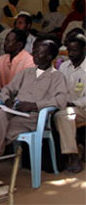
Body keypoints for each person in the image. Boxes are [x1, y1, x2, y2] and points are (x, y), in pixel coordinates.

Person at [0, 39, 68, 155]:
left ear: (49, 57)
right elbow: (7, 89)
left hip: (33, 117)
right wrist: (7, 100)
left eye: (39, 53)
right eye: (35, 52)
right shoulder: (26, 73)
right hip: (15, 110)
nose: (35, 55)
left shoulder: (57, 77)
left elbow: (61, 100)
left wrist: (35, 106)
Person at [54, 34, 86, 173]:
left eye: (75, 50)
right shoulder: (64, 67)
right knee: (59, 115)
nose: (71, 54)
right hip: (66, 107)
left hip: (82, 108)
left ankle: (72, 156)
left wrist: (72, 103)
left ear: (84, 49)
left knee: (63, 116)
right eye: (69, 51)